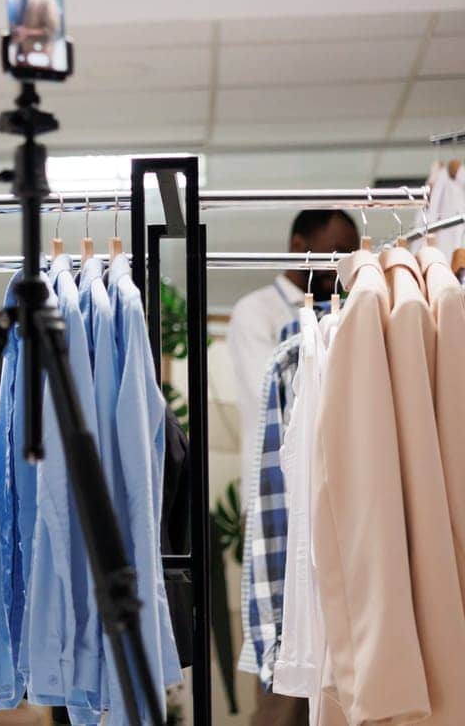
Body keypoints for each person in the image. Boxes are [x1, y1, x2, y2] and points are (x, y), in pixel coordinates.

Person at [225, 208, 358, 726]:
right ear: (298, 243)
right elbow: (281, 398)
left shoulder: (348, 306)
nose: (339, 263)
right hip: (280, 510)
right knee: (283, 689)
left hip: (336, 503)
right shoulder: (255, 313)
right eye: (330, 250)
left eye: (348, 252)